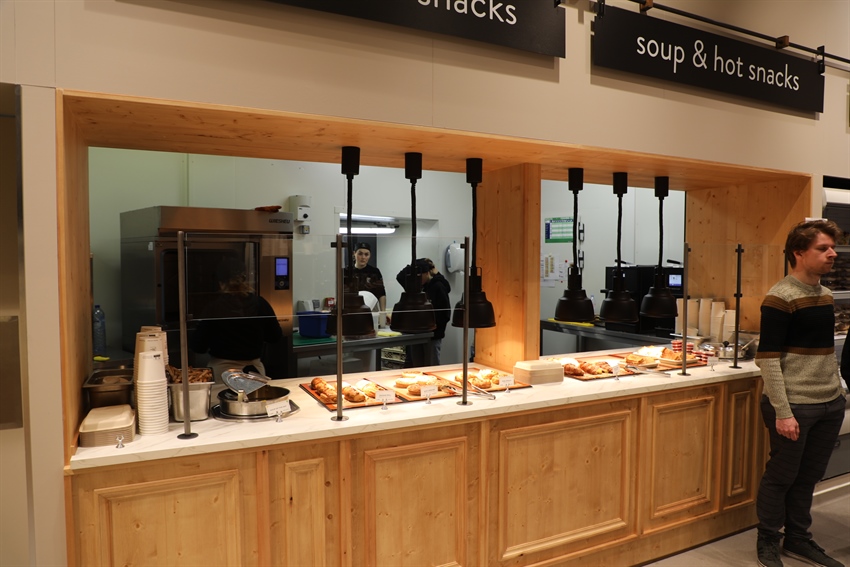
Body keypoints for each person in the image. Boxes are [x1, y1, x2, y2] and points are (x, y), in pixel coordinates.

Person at [754, 219, 846, 567]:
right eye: (823, 248)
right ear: (799, 253)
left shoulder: (824, 294)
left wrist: (837, 392)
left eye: (832, 247)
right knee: (781, 476)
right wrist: (783, 411)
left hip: (829, 403)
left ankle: (798, 539)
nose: (832, 253)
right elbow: (767, 359)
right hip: (794, 405)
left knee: (808, 477)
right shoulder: (780, 297)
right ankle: (767, 539)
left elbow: (823, 352)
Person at [191, 257, 283, 383]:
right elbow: (275, 336)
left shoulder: (214, 307)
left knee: (223, 397)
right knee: (255, 397)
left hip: (222, 373)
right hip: (254, 373)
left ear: (220, 282)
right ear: (245, 279)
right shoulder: (260, 304)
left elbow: (198, 346)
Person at [396, 258, 451, 367]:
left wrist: (434, 327)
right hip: (418, 333)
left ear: (427, 273)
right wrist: (416, 263)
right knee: (417, 367)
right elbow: (400, 276)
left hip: (433, 335)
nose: (417, 279)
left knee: (431, 367)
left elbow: (445, 313)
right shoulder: (417, 287)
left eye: (419, 275)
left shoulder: (438, 286)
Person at [349, 242, 388, 324]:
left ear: (370, 256)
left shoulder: (374, 272)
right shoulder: (347, 271)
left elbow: (381, 293)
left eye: (366, 254)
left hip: (372, 309)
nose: (363, 257)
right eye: (360, 254)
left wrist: (383, 313)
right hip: (351, 308)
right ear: (354, 254)